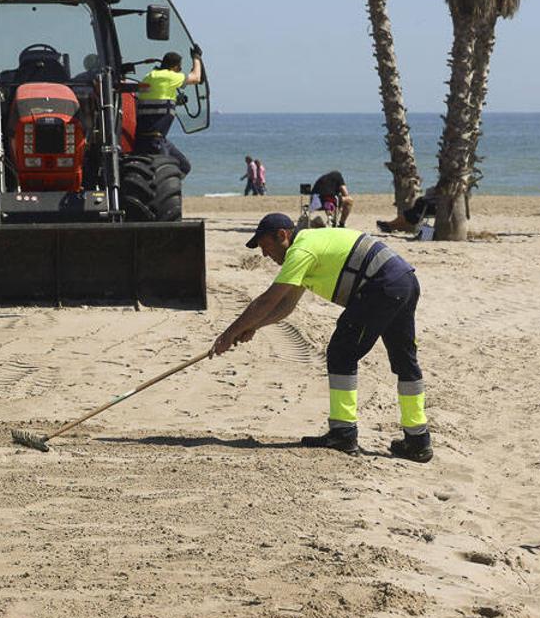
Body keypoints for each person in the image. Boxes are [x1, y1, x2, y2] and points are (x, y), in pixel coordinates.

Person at [210, 213, 431, 462]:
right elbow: (285, 306)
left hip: (381, 287)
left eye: (266, 246)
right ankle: (418, 441)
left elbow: (268, 299)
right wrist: (254, 326)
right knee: (404, 361)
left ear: (282, 235)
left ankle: (343, 433)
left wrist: (229, 333)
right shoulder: (310, 244)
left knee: (342, 353)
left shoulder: (301, 251)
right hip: (404, 281)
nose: (264, 254)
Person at [134, 47, 203, 177]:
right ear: (174, 67)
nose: (180, 70)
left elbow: (154, 101)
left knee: (184, 166)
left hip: (147, 138)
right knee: (166, 173)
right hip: (154, 141)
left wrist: (174, 102)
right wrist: (197, 58)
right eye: (179, 67)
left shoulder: (149, 76)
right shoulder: (169, 76)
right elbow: (196, 77)